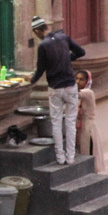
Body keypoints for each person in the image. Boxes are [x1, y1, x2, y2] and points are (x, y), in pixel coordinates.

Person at [29, 15, 85, 165]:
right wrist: (69, 58)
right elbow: (81, 52)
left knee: (56, 122)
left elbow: (40, 69)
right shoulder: (64, 38)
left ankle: (60, 157)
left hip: (55, 87)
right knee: (71, 122)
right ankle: (70, 156)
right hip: (70, 85)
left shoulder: (43, 46)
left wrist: (32, 80)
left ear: (36, 31)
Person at [74, 69, 100, 172]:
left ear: (87, 81)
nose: (77, 82)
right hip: (81, 128)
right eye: (76, 79)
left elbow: (72, 94)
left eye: (81, 79)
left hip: (88, 129)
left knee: (88, 152)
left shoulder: (88, 93)